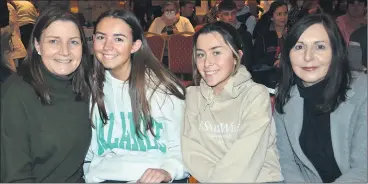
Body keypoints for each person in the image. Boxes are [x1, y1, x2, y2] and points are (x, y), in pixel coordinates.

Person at [84, 9, 188, 183]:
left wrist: (168, 172)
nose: (107, 46)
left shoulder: (163, 89)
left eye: (118, 39)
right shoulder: (89, 87)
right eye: (101, 37)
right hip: (104, 178)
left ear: (135, 45)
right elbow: (88, 152)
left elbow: (183, 149)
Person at [181, 21, 282, 183]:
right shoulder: (193, 96)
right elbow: (191, 151)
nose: (207, 63)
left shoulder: (255, 95)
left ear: (237, 57)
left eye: (216, 53)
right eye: (200, 54)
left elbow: (247, 157)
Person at [1, 7, 92, 182]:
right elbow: (14, 178)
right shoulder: (15, 96)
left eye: (73, 42)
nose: (65, 52)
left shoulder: (85, 87)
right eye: (53, 41)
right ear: (37, 46)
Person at [274, 13, 367, 183]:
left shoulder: (363, 91)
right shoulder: (285, 95)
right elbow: (286, 161)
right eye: (299, 47)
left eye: (320, 47)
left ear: (336, 51)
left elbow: (363, 169)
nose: (308, 57)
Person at [252, 1, 288, 89]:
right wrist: (273, 62)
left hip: (288, 77)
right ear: (272, 17)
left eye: (285, 13)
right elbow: (256, 59)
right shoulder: (263, 35)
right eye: (279, 14)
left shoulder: (292, 33)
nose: (283, 17)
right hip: (268, 80)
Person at [216, 0, 253, 70]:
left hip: (240, 70)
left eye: (233, 13)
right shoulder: (213, 32)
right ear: (219, 15)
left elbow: (248, 61)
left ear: (236, 13)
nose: (230, 17)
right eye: (226, 14)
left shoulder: (244, 33)